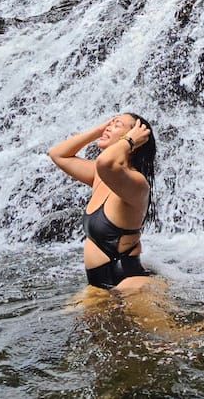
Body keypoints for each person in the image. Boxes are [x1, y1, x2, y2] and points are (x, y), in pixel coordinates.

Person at [47, 113, 157, 293]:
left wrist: (130, 141)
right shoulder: (100, 176)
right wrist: (100, 130)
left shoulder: (137, 184)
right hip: (100, 287)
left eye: (117, 125)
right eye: (109, 124)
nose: (108, 127)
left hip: (130, 286)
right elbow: (58, 154)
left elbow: (106, 162)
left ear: (134, 138)